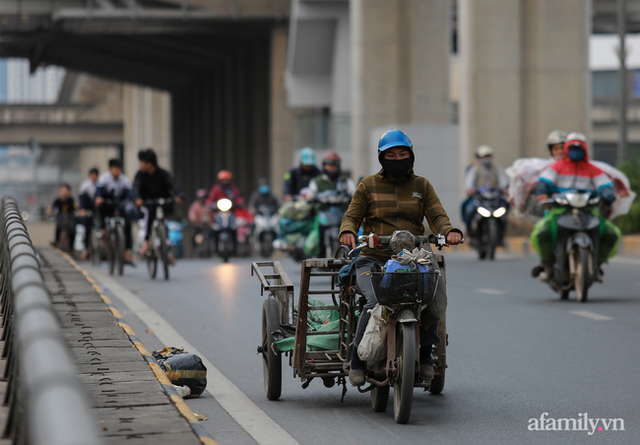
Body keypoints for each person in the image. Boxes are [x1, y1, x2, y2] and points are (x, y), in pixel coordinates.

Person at [338, 129, 463, 386]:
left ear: (411, 155)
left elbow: (437, 215)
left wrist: (448, 231)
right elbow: (352, 216)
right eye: (391, 155)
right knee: (373, 301)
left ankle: (426, 356)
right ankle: (357, 360)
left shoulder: (422, 185)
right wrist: (348, 231)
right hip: (373, 258)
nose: (397, 159)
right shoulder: (368, 185)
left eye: (402, 153)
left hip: (414, 257)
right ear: (382, 158)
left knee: (433, 302)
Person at [530, 132, 620, 279]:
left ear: (585, 149)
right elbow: (544, 181)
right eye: (572, 148)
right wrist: (542, 192)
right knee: (542, 233)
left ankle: (596, 263)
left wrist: (608, 193)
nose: (575, 152)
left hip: (588, 210)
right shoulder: (557, 167)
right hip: (560, 210)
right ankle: (547, 265)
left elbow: (604, 183)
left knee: (611, 234)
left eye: (579, 148)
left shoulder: (593, 169)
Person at [133, 149, 184, 262]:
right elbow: (136, 187)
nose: (140, 165)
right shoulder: (140, 175)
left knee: (166, 222)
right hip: (147, 203)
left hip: (163, 201)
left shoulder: (162, 173)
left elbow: (173, 184)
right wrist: (138, 199)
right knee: (148, 214)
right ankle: (147, 241)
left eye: (142, 162)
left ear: (149, 163)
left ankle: (166, 250)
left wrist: (179, 195)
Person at [461, 145, 509, 238]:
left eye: (488, 156)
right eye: (484, 156)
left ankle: (503, 233)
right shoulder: (474, 168)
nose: (487, 158)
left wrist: (505, 189)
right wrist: (470, 189)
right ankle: (469, 232)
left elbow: (503, 180)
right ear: (479, 157)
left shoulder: (497, 168)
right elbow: (469, 182)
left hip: (495, 197)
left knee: (506, 206)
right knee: (467, 208)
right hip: (479, 198)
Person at [95, 159, 135, 263]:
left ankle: (126, 252)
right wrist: (99, 198)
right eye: (115, 169)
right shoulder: (104, 178)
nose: (117, 172)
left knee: (128, 224)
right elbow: (99, 191)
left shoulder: (124, 179)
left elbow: (129, 193)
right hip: (107, 205)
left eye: (119, 169)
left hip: (119, 205)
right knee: (99, 206)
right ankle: (103, 229)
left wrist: (130, 199)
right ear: (110, 169)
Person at [78, 167, 99, 259]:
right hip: (88, 209)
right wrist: (83, 209)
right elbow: (82, 198)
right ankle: (86, 250)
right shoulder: (85, 186)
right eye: (92, 175)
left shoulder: (100, 185)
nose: (93, 177)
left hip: (98, 209)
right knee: (87, 229)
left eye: (95, 175)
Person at [48, 183, 77, 251]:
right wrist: (50, 212)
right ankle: (57, 242)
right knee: (58, 227)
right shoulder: (57, 201)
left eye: (66, 191)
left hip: (70, 220)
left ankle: (71, 247)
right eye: (63, 191)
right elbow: (52, 208)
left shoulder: (71, 200)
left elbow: (76, 208)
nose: (64, 193)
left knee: (72, 230)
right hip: (61, 220)